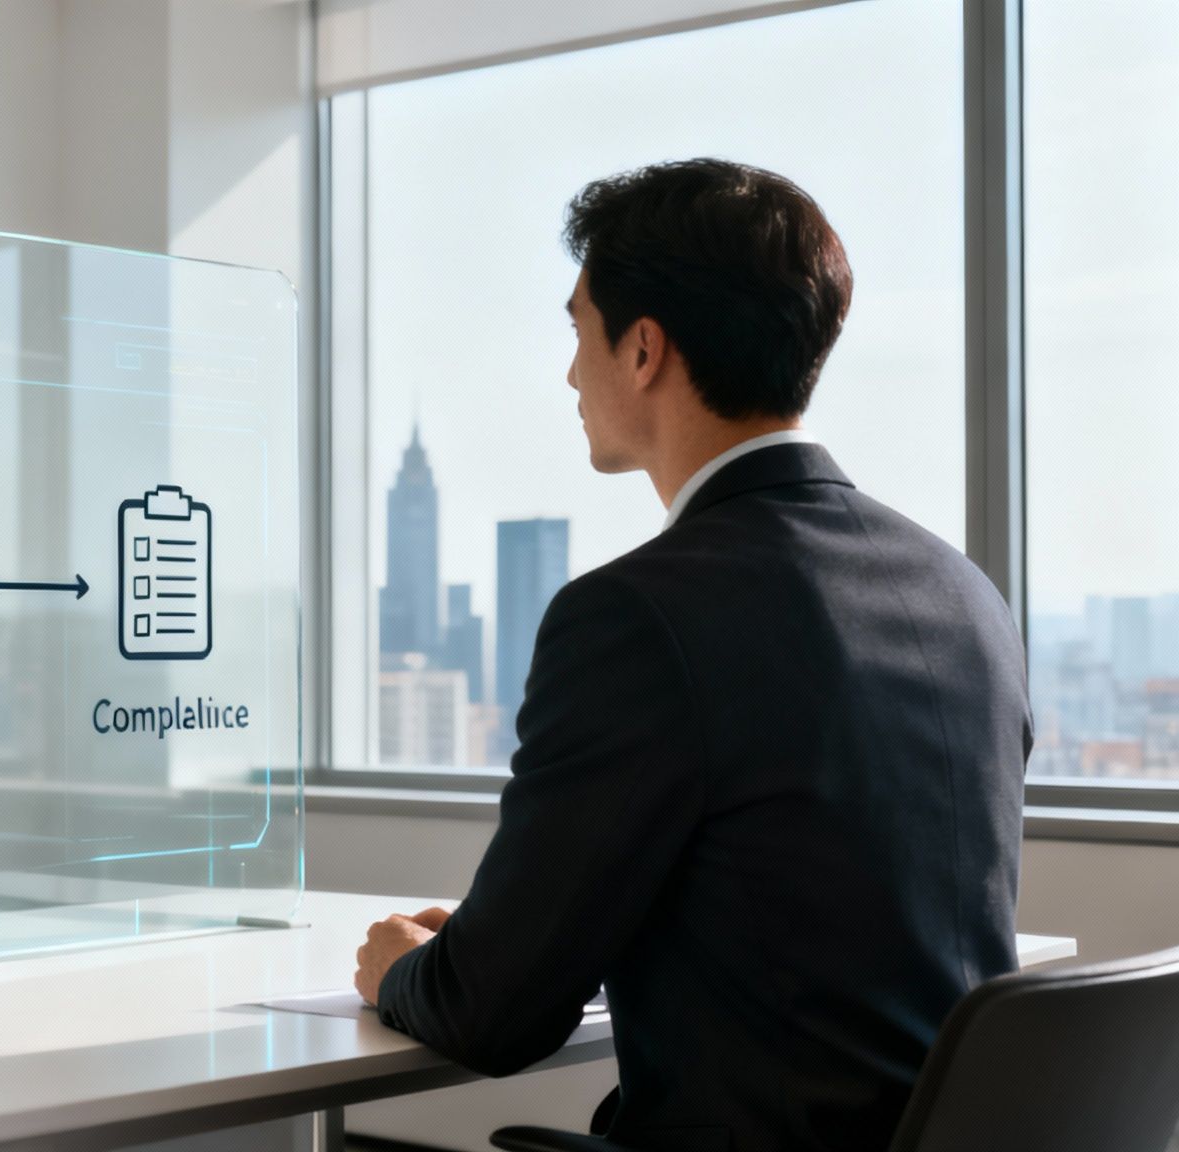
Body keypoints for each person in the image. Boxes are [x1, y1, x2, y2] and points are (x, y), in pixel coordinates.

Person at [352, 158, 1029, 1152]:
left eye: (577, 329)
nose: (568, 371)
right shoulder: (963, 594)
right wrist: (504, 936)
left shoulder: (634, 617)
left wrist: (399, 967)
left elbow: (489, 1017)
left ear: (642, 350)